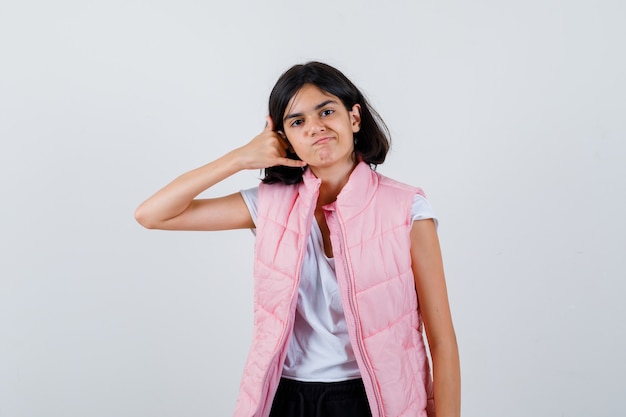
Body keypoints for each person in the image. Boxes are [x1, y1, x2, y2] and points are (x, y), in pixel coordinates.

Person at [135, 61, 460, 417]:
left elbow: (441, 340)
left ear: (354, 118)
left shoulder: (406, 207)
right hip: (284, 396)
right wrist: (238, 159)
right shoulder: (269, 204)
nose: (315, 127)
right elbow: (152, 215)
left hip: (374, 399)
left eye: (326, 111)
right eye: (297, 121)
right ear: (284, 139)